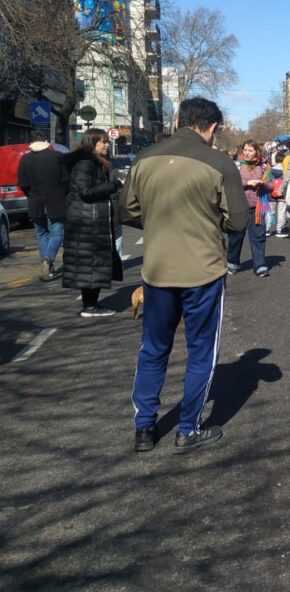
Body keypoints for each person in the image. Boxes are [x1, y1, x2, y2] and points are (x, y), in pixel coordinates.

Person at [120, 97, 248, 454]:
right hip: (202, 269)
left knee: (153, 348)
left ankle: (144, 427)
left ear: (180, 120)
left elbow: (127, 211)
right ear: (211, 127)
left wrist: (160, 222)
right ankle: (188, 429)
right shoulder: (218, 161)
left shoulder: (144, 158)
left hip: (157, 268)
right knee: (201, 351)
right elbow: (238, 221)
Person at [61, 128, 123, 315]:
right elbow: (85, 192)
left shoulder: (95, 162)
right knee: (90, 264)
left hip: (89, 219)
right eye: (102, 142)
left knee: (92, 264)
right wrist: (114, 185)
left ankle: (91, 304)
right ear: (91, 143)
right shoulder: (86, 163)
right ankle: (90, 306)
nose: (106, 145)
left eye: (106, 141)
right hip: (87, 221)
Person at [17, 130, 66, 281]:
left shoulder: (25, 160)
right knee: (57, 233)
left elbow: (23, 183)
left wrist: (31, 195)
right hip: (56, 201)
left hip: (35, 201)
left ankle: (47, 266)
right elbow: (67, 180)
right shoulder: (58, 157)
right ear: (46, 141)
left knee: (42, 234)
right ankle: (48, 259)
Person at [227, 139, 270, 277]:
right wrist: (247, 183)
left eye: (250, 150)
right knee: (235, 236)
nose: (247, 153)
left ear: (256, 152)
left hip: (258, 206)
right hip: (238, 206)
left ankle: (260, 265)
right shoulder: (236, 165)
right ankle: (232, 262)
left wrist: (262, 184)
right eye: (245, 150)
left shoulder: (264, 166)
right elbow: (231, 183)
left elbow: (271, 186)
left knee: (258, 236)